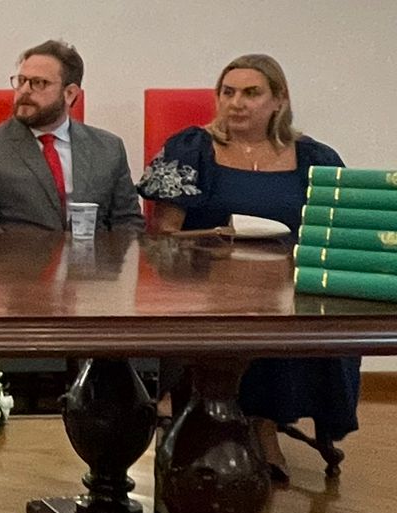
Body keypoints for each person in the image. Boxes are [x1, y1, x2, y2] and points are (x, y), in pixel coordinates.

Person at [139, 53, 358, 483]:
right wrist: (216, 236)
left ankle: (264, 426)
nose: (236, 103)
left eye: (251, 93)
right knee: (248, 319)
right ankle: (219, 425)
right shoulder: (191, 149)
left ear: (279, 100)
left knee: (297, 317)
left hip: (288, 286)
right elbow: (163, 235)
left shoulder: (315, 157)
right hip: (205, 285)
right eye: (228, 92)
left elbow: (336, 231)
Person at [0, 40, 144, 232]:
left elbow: (128, 221)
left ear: (69, 93)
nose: (25, 90)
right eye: (21, 81)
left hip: (94, 251)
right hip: (15, 251)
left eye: (38, 83)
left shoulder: (108, 148)